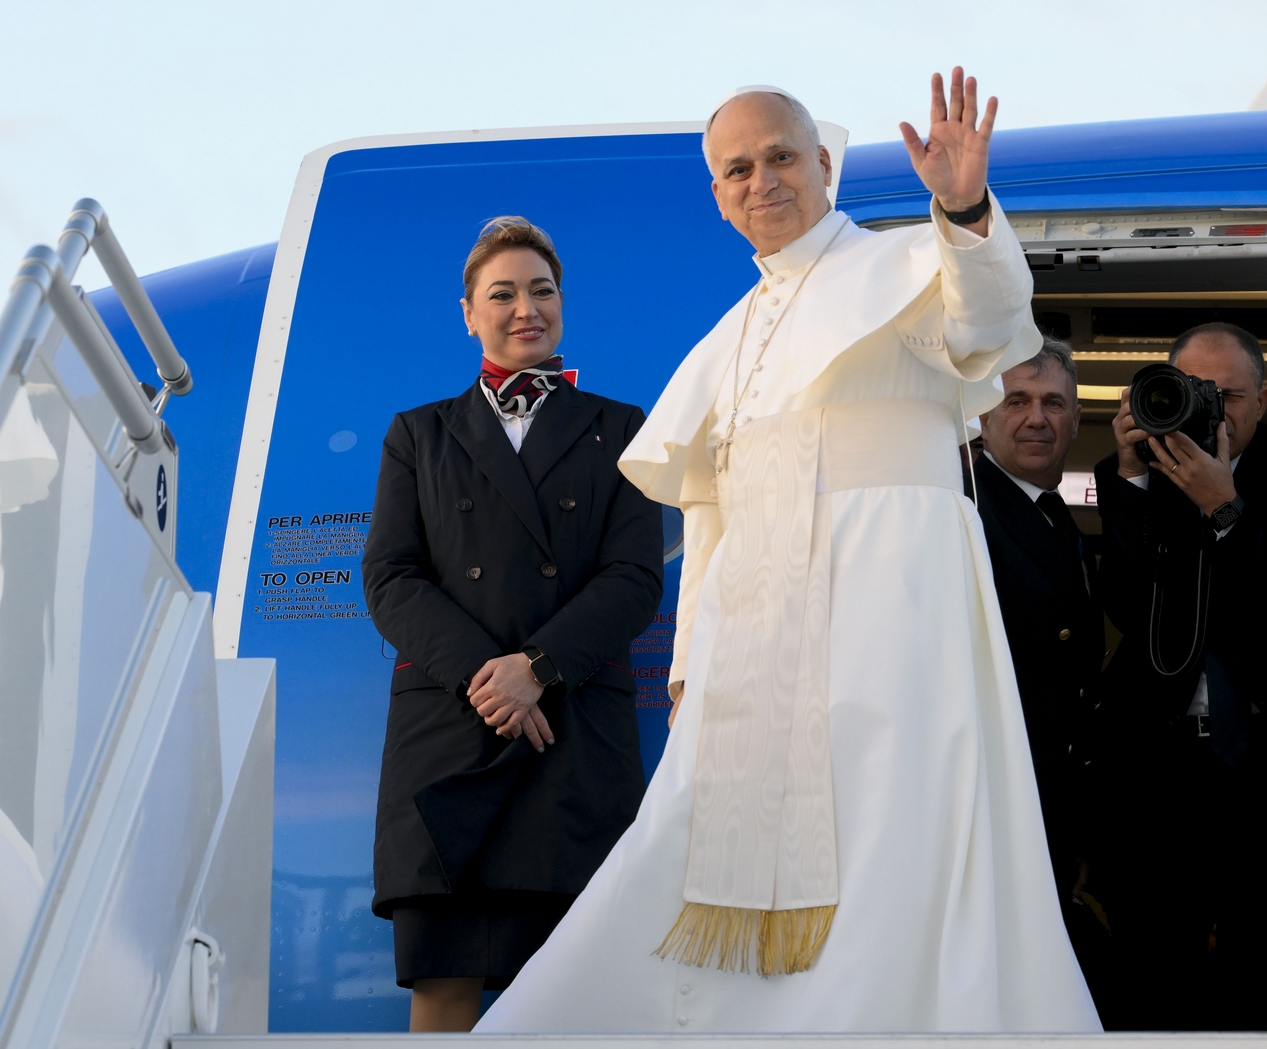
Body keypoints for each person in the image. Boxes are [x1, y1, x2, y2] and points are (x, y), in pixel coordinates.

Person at [478, 71, 1100, 1034]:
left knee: (887, 826)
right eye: (737, 170)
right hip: (755, 643)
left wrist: (967, 208)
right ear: (719, 197)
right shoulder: (728, 337)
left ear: (822, 164)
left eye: (779, 157)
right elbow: (710, 513)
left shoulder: (907, 262)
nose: (761, 180)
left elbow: (987, 321)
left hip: (889, 604)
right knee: (697, 838)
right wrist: (690, 666)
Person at [359, 216, 664, 1031]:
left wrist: (538, 667)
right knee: (444, 988)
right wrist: (488, 676)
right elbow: (390, 577)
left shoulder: (622, 428)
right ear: (469, 313)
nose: (526, 308)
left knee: (576, 1001)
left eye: (542, 290)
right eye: (503, 294)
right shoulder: (418, 433)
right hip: (452, 736)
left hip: (569, 736)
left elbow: (635, 578)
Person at [1091, 321, 1267, 1031]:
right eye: (1195, 390)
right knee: (1154, 964)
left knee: (1265, 960)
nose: (1212, 410)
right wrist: (1133, 478)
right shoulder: (1137, 469)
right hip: (1159, 765)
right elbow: (1127, 607)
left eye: (1229, 395)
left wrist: (1224, 506)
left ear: (1266, 399)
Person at [970, 339, 1116, 1016]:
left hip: (1047, 808)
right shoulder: (965, 506)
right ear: (983, 416)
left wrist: (1074, 827)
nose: (1037, 418)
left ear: (1076, 417)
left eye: (1054, 403)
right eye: (1017, 401)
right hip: (994, 811)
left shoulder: (1055, 516)